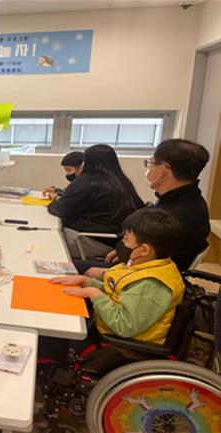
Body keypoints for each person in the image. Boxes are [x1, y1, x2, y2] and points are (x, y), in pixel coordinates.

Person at [50, 208, 185, 354]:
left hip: (122, 348)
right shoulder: (144, 264)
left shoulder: (150, 285)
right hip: (104, 326)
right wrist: (87, 282)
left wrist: (94, 294)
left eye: (126, 240)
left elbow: (124, 326)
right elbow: (117, 290)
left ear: (144, 250)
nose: (122, 244)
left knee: (53, 336)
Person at [85, 139, 211, 277]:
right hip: (136, 266)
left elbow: (148, 268)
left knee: (70, 269)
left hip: (140, 278)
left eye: (151, 163)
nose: (148, 168)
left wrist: (106, 273)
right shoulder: (186, 201)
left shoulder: (176, 216)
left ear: (162, 170)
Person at [47, 144, 144, 259]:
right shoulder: (122, 182)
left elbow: (61, 209)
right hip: (117, 240)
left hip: (91, 238)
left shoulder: (87, 181)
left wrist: (54, 201)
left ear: (87, 162)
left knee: (45, 243)